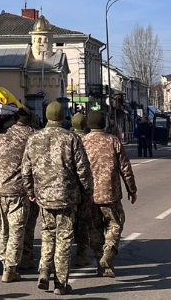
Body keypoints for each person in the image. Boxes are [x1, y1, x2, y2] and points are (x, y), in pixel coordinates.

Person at [22, 102, 93, 295]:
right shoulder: (70, 138)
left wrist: (30, 192)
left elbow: (26, 170)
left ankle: (44, 269)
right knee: (64, 238)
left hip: (43, 196)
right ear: (62, 118)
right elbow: (83, 169)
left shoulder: (34, 138)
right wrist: (88, 192)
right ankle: (61, 283)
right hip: (67, 196)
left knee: (47, 233)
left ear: (46, 117)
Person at [82, 111, 137, 278]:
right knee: (115, 224)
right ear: (104, 123)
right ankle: (108, 255)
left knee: (95, 229)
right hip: (110, 193)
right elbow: (125, 167)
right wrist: (131, 189)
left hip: (89, 195)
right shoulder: (113, 141)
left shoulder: (82, 142)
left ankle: (103, 265)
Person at [0, 108, 36, 282]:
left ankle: (4, 262)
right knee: (18, 228)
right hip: (19, 188)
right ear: (29, 120)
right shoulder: (33, 136)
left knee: (3, 227)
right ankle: (11, 267)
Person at [68, 114, 93, 266]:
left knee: (67, 224)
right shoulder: (89, 139)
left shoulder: (67, 138)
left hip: (68, 189)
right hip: (83, 188)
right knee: (83, 223)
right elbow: (86, 168)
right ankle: (81, 255)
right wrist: (89, 190)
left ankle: (61, 257)